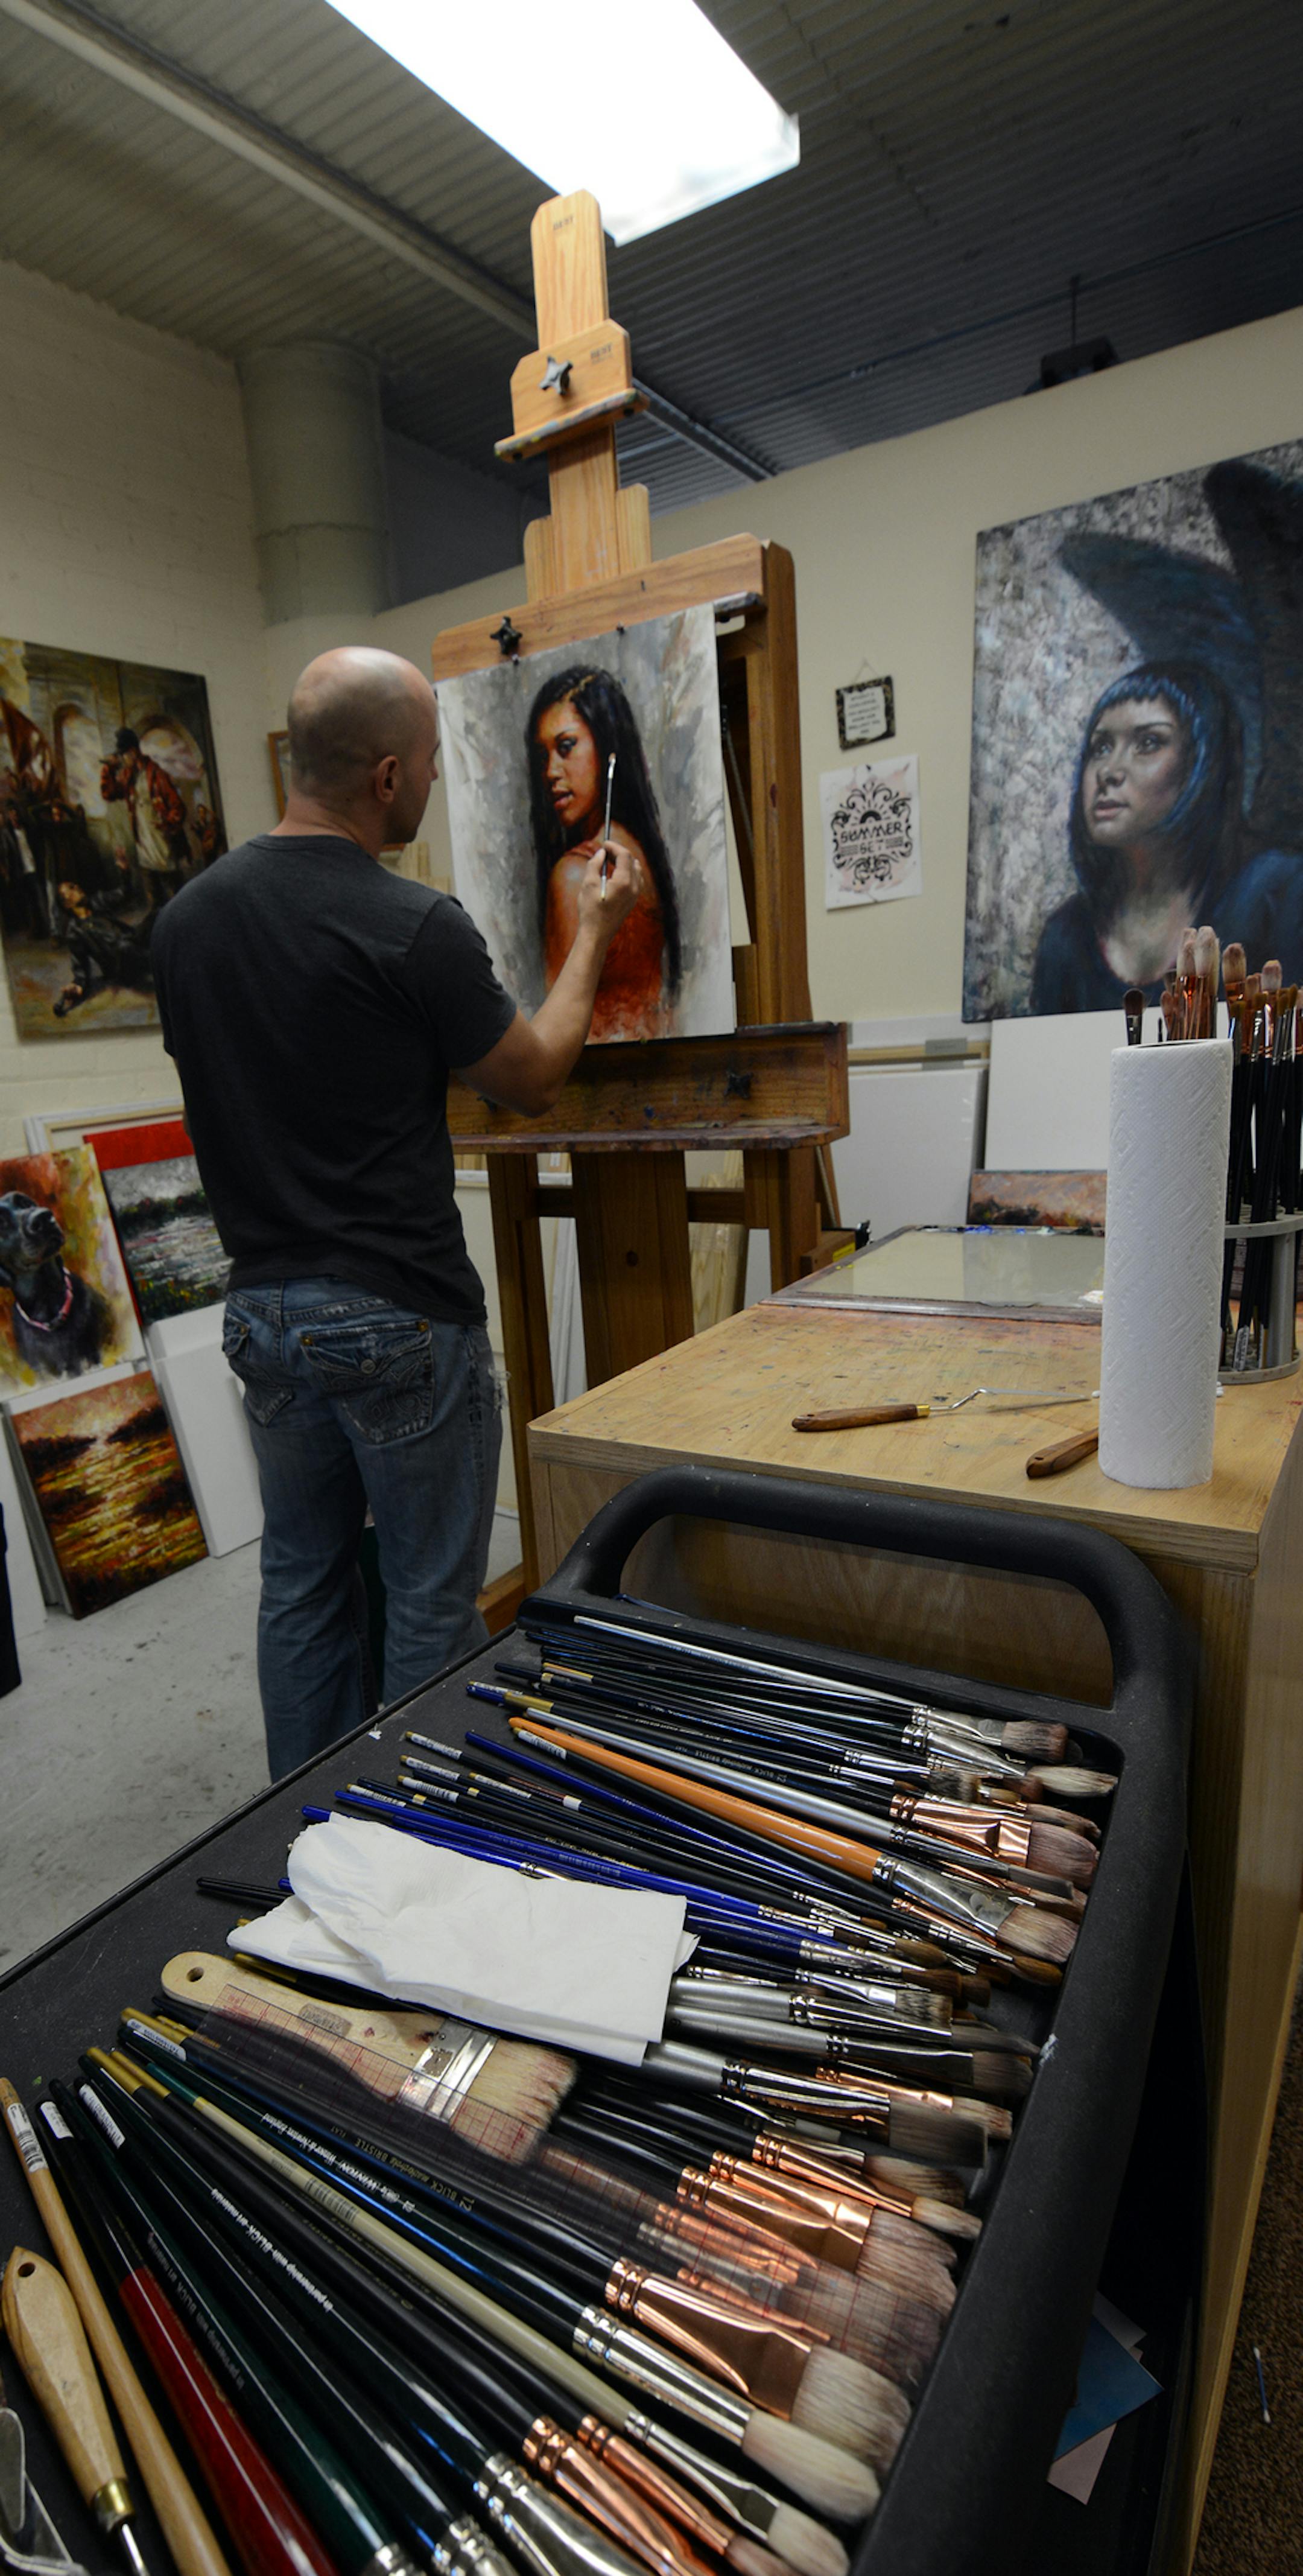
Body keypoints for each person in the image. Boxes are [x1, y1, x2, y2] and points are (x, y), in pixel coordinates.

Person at [151, 645, 640, 1780]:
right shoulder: (412, 922)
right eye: (425, 763)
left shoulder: (185, 923)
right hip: (395, 1312)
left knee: (302, 1581)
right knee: (426, 1598)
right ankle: (410, 1822)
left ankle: (307, 1821)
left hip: (262, 1314)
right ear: (384, 776)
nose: (430, 781)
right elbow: (532, 1077)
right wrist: (595, 928)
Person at [1031, 660, 1303, 1013]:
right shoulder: (1067, 936)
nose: (1108, 772)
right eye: (1101, 748)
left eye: (1148, 743)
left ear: (1202, 763)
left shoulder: (1277, 896)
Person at [526, 664, 680, 1040]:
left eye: (566, 747)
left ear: (608, 748)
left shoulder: (576, 874)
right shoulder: (641, 851)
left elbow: (558, 1037)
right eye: (543, 755)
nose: (551, 772)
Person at [100, 726, 191, 908]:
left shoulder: (157, 774)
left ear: (133, 752)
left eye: (124, 755)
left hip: (162, 842)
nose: (123, 760)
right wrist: (108, 769)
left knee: (174, 892)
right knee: (153, 893)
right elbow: (109, 794)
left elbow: (178, 807)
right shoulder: (128, 776)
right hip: (143, 842)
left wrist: (167, 823)